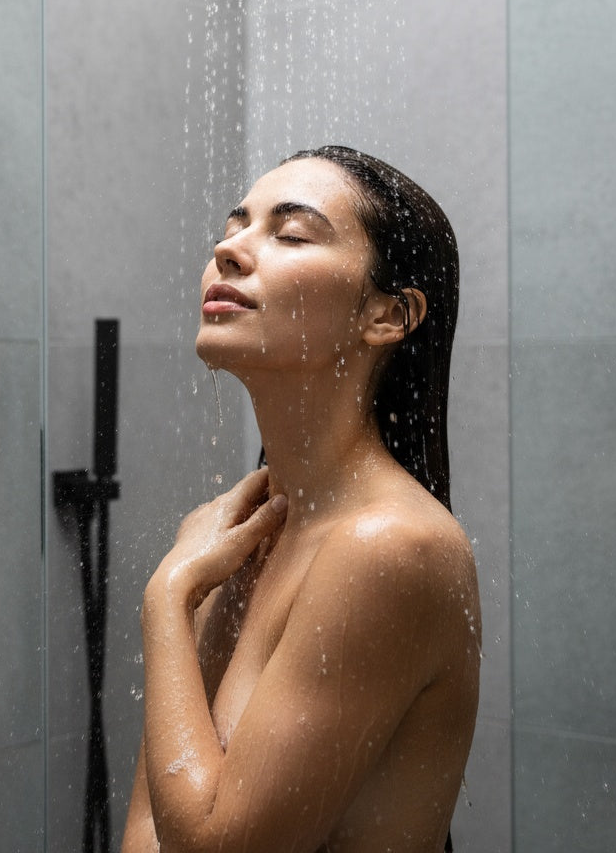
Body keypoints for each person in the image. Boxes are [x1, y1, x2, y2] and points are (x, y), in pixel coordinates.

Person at [122, 146, 481, 853]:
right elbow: (149, 832)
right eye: (231, 228)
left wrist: (167, 599)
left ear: (389, 314)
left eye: (289, 234)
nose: (228, 249)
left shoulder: (391, 548)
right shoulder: (225, 537)